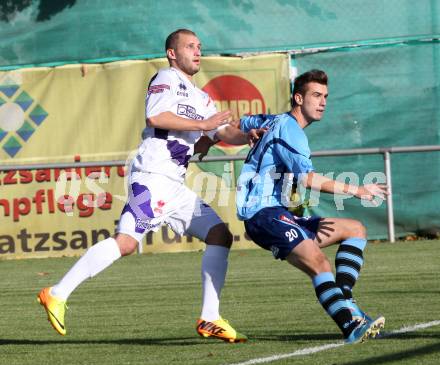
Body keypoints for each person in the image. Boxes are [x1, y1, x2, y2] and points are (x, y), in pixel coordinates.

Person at [38, 28, 257, 343]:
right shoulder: (165, 79)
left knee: (219, 235)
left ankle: (210, 318)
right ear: (172, 53)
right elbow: (156, 116)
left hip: (175, 185)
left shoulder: (201, 97)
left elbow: (224, 132)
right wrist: (202, 126)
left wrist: (248, 135)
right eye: (190, 46)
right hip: (153, 177)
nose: (198, 51)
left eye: (200, 47)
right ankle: (56, 293)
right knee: (126, 243)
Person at [236, 69, 387, 344]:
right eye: (316, 95)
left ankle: (346, 301)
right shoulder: (291, 130)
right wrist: (358, 190)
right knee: (319, 262)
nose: (323, 102)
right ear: (298, 98)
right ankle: (350, 326)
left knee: (355, 229)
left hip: (279, 214)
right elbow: (308, 179)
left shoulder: (274, 120)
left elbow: (243, 122)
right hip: (264, 215)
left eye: (325, 96)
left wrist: (241, 132)